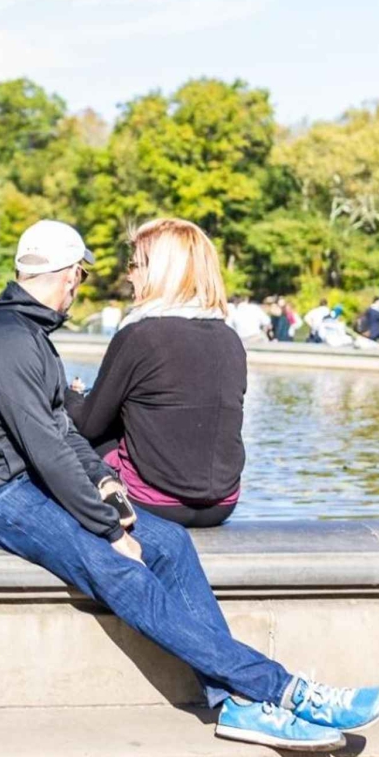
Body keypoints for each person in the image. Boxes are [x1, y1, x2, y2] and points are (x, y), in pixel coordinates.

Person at [0, 218, 379, 751]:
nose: (80, 289)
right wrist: (110, 530)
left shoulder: (29, 337)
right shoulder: (7, 341)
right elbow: (47, 449)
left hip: (25, 480)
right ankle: (285, 690)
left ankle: (236, 706)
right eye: (82, 277)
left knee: (171, 543)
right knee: (117, 568)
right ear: (70, 275)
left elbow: (65, 434)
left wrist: (107, 485)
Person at [67, 219, 244, 527]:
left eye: (135, 265)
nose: (128, 275)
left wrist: (70, 398)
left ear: (162, 270)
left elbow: (89, 425)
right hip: (223, 504)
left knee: (77, 435)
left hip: (152, 503)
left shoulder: (140, 335)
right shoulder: (230, 338)